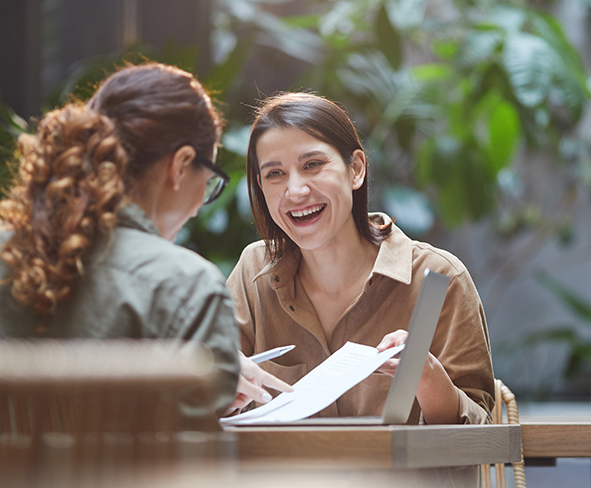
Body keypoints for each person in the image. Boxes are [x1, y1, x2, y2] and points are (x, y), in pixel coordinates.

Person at [0, 62, 289, 416]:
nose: (200, 207)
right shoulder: (187, 287)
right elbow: (189, 456)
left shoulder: (9, 253)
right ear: (181, 165)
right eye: (210, 180)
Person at [227, 92, 495, 424]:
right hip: (282, 478)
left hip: (397, 478)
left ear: (356, 169)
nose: (295, 191)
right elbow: (199, 399)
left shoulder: (440, 277)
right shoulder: (252, 273)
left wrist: (427, 379)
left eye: (312, 165)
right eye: (275, 174)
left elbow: (481, 440)